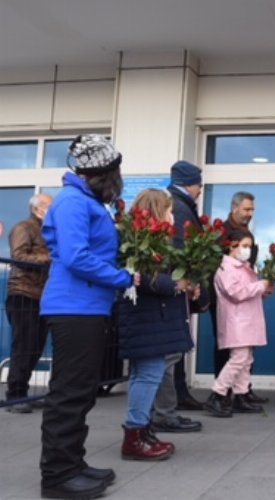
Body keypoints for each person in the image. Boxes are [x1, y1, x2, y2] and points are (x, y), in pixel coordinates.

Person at [39, 134, 138, 499]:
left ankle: (73, 463)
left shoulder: (84, 201)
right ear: (102, 172)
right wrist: (124, 278)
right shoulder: (71, 202)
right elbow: (77, 257)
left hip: (87, 308)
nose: (118, 179)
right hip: (73, 309)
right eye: (115, 172)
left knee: (81, 392)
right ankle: (57, 476)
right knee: (68, 393)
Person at [117, 189, 194, 461]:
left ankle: (142, 429)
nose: (173, 216)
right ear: (157, 211)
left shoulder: (150, 239)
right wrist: (176, 285)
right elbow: (146, 278)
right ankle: (135, 435)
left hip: (150, 318)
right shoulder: (140, 241)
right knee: (148, 374)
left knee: (145, 374)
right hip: (146, 319)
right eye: (169, 210)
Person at [151, 161, 205, 432]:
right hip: (171, 289)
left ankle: (166, 409)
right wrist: (190, 280)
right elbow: (183, 248)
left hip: (170, 287)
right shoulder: (180, 205)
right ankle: (163, 414)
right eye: (200, 185)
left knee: (169, 353)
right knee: (169, 354)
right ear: (192, 184)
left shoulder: (175, 202)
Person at [209, 191, 268, 405]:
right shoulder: (223, 233)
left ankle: (242, 392)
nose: (250, 213)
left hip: (246, 304)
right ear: (235, 207)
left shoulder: (245, 232)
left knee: (245, 353)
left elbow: (246, 269)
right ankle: (221, 393)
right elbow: (226, 277)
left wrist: (259, 287)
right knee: (233, 352)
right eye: (246, 209)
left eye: (252, 209)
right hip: (230, 304)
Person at [4, 193, 52, 414]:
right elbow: (18, 256)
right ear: (37, 209)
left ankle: (23, 390)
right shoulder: (24, 228)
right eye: (50, 207)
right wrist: (48, 259)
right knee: (24, 346)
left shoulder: (48, 231)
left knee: (35, 346)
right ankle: (15, 395)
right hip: (23, 294)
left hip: (41, 296)